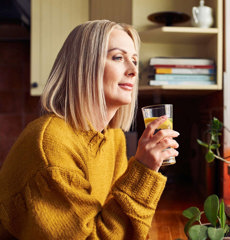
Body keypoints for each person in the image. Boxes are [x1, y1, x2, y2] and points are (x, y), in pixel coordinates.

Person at [0, 19, 179, 239]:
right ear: (84, 65)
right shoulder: (50, 145)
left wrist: (147, 170)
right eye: (118, 58)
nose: (134, 70)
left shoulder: (113, 137)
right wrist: (142, 170)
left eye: (134, 60)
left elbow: (118, 223)